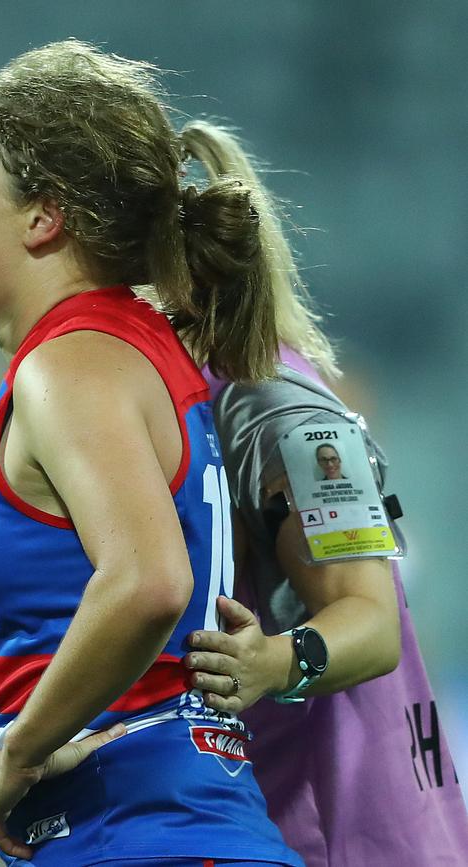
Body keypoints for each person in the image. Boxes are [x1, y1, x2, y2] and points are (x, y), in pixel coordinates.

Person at [0, 40, 303, 867]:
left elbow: (146, 579)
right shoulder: (136, 346)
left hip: (140, 836)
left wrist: (21, 750)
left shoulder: (70, 364)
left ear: (43, 216)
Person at [180, 124, 468, 865]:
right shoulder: (182, 401)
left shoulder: (277, 409)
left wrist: (274, 662)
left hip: (330, 833)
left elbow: (369, 621)